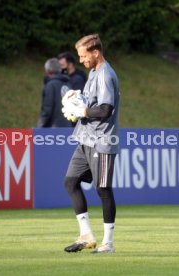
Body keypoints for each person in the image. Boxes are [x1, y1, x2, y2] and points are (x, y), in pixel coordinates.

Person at [63, 34, 120, 253]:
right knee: (70, 181)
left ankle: (108, 243)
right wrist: (76, 99)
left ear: (96, 52)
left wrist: (83, 110)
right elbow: (91, 103)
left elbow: (105, 109)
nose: (81, 60)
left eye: (83, 55)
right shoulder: (93, 71)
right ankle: (86, 235)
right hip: (85, 138)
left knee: (103, 189)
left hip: (102, 140)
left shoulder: (105, 74)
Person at [37, 58, 73, 127]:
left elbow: (47, 109)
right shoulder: (68, 84)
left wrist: (39, 127)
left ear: (47, 71)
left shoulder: (50, 85)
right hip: (68, 127)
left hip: (53, 129)